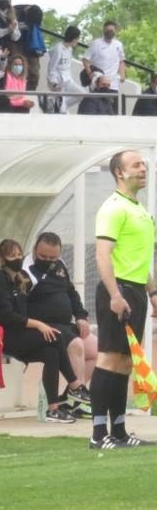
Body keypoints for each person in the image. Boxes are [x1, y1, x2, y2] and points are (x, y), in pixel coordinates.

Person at [0, 240, 85, 423]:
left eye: (19, 255)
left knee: (51, 353)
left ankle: (53, 409)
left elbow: (21, 314)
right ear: (2, 258)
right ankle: (76, 386)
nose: (17, 259)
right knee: (55, 337)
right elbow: (6, 317)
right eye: (12, 256)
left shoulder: (18, 280)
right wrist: (37, 325)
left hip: (15, 336)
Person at [89, 150, 155, 448]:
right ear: (119, 172)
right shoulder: (113, 208)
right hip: (118, 291)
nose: (144, 168)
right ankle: (98, 434)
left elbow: (140, 258)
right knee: (109, 358)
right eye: (136, 165)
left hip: (135, 291)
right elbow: (103, 254)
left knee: (126, 362)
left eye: (143, 164)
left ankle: (118, 431)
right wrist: (115, 294)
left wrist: (152, 292)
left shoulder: (139, 209)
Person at [24, 232, 95, 418]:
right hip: (43, 326)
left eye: (52, 257)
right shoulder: (25, 271)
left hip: (65, 324)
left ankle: (71, 397)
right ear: (34, 250)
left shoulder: (60, 264)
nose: (48, 261)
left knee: (95, 349)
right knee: (76, 345)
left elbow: (71, 293)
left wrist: (80, 316)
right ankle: (78, 396)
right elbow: (19, 307)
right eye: (43, 257)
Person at [84, 21, 127, 91]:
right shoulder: (95, 43)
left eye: (112, 30)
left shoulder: (119, 45)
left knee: (112, 101)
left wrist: (122, 74)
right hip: (98, 84)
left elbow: (121, 61)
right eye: (107, 30)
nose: (110, 32)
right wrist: (90, 74)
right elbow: (85, 60)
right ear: (103, 30)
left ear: (115, 31)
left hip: (113, 84)